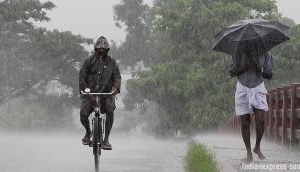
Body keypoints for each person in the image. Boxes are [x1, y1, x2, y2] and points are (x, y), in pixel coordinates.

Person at [229, 49, 274, 163]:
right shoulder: (237, 52)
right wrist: (244, 67)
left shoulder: (266, 53)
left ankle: (257, 147)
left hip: (258, 86)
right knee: (244, 122)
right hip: (242, 87)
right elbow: (231, 73)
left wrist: (258, 68)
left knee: (261, 120)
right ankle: (249, 153)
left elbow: (270, 75)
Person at [79, 36, 121, 150]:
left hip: (106, 94)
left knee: (110, 110)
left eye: (104, 49)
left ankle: (106, 139)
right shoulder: (89, 61)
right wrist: (88, 93)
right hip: (89, 95)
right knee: (83, 114)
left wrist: (115, 89)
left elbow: (117, 77)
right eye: (99, 48)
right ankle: (88, 132)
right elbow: (82, 78)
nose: (101, 51)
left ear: (107, 50)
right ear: (95, 48)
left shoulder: (112, 62)